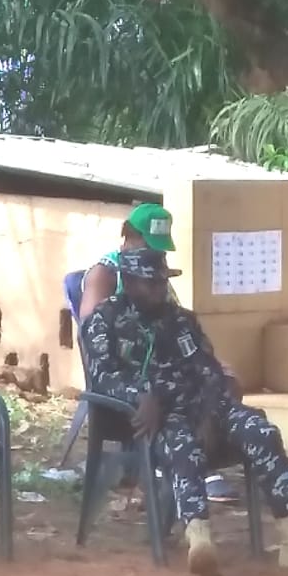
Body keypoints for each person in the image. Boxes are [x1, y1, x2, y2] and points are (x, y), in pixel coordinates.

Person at [80, 248, 288, 576]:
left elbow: (208, 369)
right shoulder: (105, 320)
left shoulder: (182, 321)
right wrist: (143, 395)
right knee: (182, 442)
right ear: (128, 282)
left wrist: (211, 413)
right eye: (150, 283)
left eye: (161, 282)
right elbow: (103, 376)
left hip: (203, 405)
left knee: (260, 431)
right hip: (154, 415)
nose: (159, 290)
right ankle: (199, 539)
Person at [78, 202, 238, 503]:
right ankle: (178, 470)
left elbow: (175, 330)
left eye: (161, 249)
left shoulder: (158, 273)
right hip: (129, 383)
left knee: (221, 379)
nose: (158, 256)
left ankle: (199, 460)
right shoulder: (106, 274)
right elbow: (90, 339)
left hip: (166, 372)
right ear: (129, 239)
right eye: (149, 245)